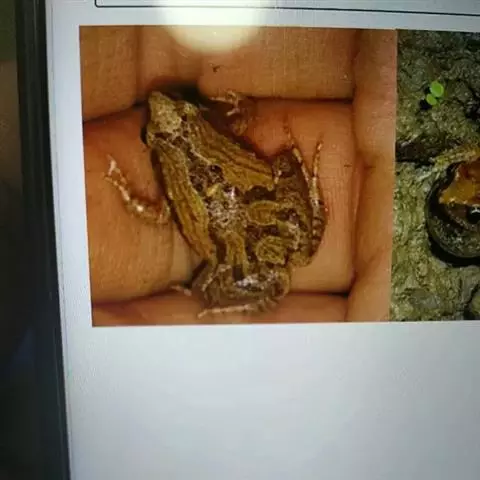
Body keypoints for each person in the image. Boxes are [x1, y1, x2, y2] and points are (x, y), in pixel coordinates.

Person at [80, 26, 397, 324]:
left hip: (243, 239)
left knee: (205, 288)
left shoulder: (175, 170)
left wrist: (124, 190)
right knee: (285, 168)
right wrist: (242, 107)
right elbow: (243, 121)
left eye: (183, 111)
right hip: (254, 236)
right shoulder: (210, 130)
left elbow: (156, 213)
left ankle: (233, 297)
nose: (158, 102)